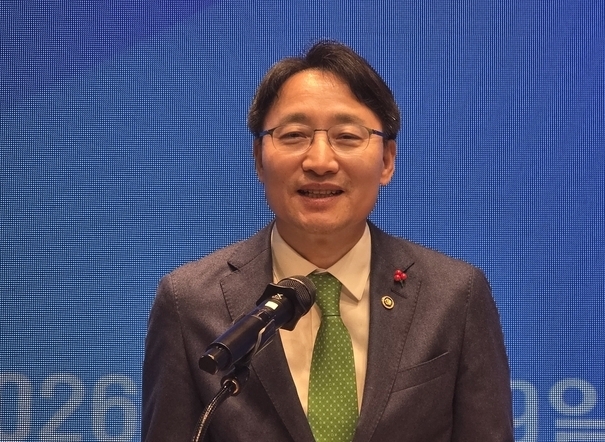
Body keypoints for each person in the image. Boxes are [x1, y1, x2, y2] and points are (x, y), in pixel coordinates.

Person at [142, 40, 513, 441]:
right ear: (259, 159)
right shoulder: (190, 303)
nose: (320, 162)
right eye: (294, 135)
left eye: (347, 136)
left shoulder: (455, 296)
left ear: (387, 160)